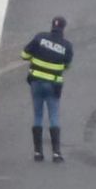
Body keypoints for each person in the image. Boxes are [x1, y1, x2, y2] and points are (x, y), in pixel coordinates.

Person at [20, 16, 73, 162]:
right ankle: (56, 153)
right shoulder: (67, 46)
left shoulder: (40, 37)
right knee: (54, 116)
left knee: (37, 115)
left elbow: (24, 54)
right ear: (63, 28)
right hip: (53, 85)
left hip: (36, 82)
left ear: (52, 26)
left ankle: (38, 152)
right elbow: (67, 65)